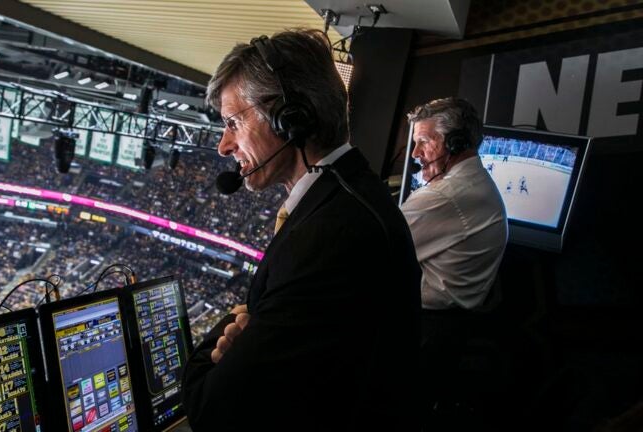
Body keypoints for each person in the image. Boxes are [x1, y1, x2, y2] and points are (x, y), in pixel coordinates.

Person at [182, 29, 421, 431]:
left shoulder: (331, 235)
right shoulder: (349, 195)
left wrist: (233, 324)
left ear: (290, 117)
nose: (224, 145)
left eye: (233, 123)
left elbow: (210, 407)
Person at [401, 97, 508, 310]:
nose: (415, 153)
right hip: (456, 318)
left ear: (456, 144)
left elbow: (374, 249)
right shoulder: (479, 181)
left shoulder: (444, 196)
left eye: (423, 141)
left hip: (424, 320)